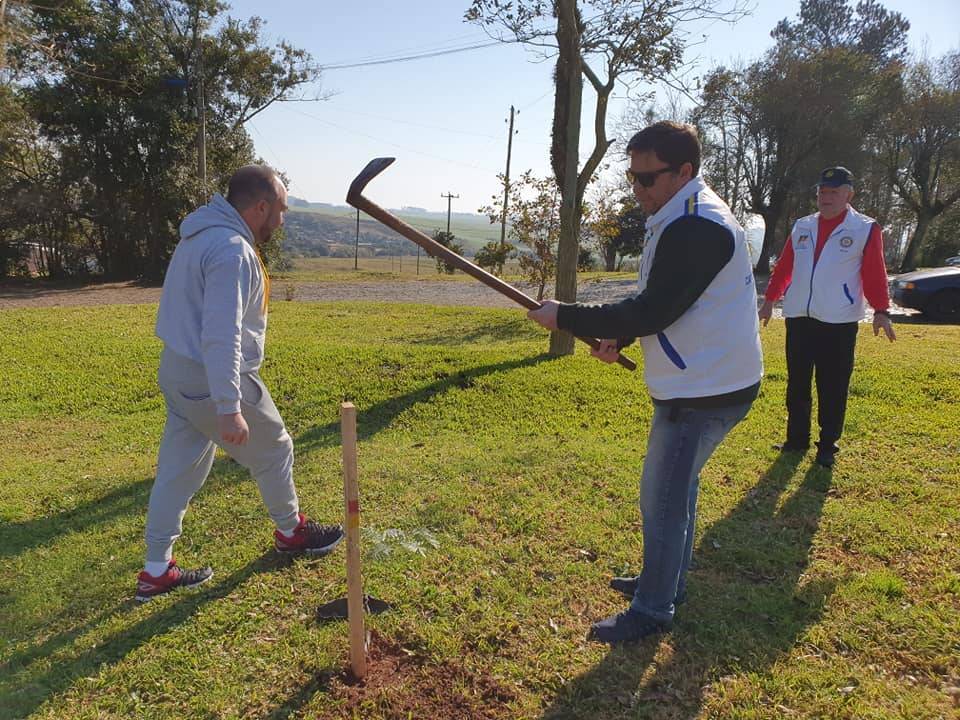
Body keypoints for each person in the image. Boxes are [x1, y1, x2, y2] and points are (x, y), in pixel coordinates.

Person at [528, 121, 763, 644]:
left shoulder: (698, 224)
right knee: (677, 491)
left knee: (662, 500)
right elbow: (673, 301)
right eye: (632, 177)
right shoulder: (678, 212)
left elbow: (654, 308)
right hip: (704, 378)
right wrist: (621, 336)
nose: (637, 189)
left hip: (704, 389)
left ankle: (653, 609)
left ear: (684, 171)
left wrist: (566, 315)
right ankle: (667, 582)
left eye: (647, 178)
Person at [136, 165, 343, 602]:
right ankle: (291, 532)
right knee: (276, 449)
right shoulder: (232, 251)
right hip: (210, 376)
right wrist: (229, 406)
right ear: (261, 207)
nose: (281, 221)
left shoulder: (200, 235)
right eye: (281, 210)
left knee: (178, 470)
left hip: (177, 371)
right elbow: (221, 333)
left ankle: (156, 570)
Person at [759, 166, 895, 469]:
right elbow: (785, 266)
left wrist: (881, 310)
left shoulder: (864, 228)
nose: (826, 197)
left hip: (838, 321)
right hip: (799, 317)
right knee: (797, 384)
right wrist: (769, 300)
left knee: (832, 386)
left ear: (849, 194)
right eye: (822, 191)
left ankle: (827, 445)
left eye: (833, 192)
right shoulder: (803, 225)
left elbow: (874, 271)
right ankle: (796, 440)